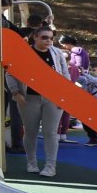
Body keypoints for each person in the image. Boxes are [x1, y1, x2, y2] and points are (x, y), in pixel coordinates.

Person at [7, 26, 68, 177]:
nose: (48, 41)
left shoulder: (57, 53)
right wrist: (16, 92)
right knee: (30, 132)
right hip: (29, 99)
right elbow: (9, 73)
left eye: (51, 38)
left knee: (50, 133)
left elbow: (65, 75)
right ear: (35, 37)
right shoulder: (23, 53)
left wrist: (66, 97)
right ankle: (31, 163)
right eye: (44, 38)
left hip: (53, 99)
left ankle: (50, 166)